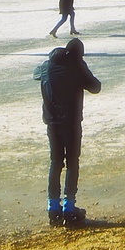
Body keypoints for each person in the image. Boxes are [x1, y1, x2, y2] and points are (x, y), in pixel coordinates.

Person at [33, 37, 101, 227]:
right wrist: (81, 67)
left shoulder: (46, 66)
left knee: (55, 162)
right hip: (70, 122)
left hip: (51, 122)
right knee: (72, 162)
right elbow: (96, 87)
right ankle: (69, 209)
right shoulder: (76, 67)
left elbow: (35, 74)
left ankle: (53, 207)